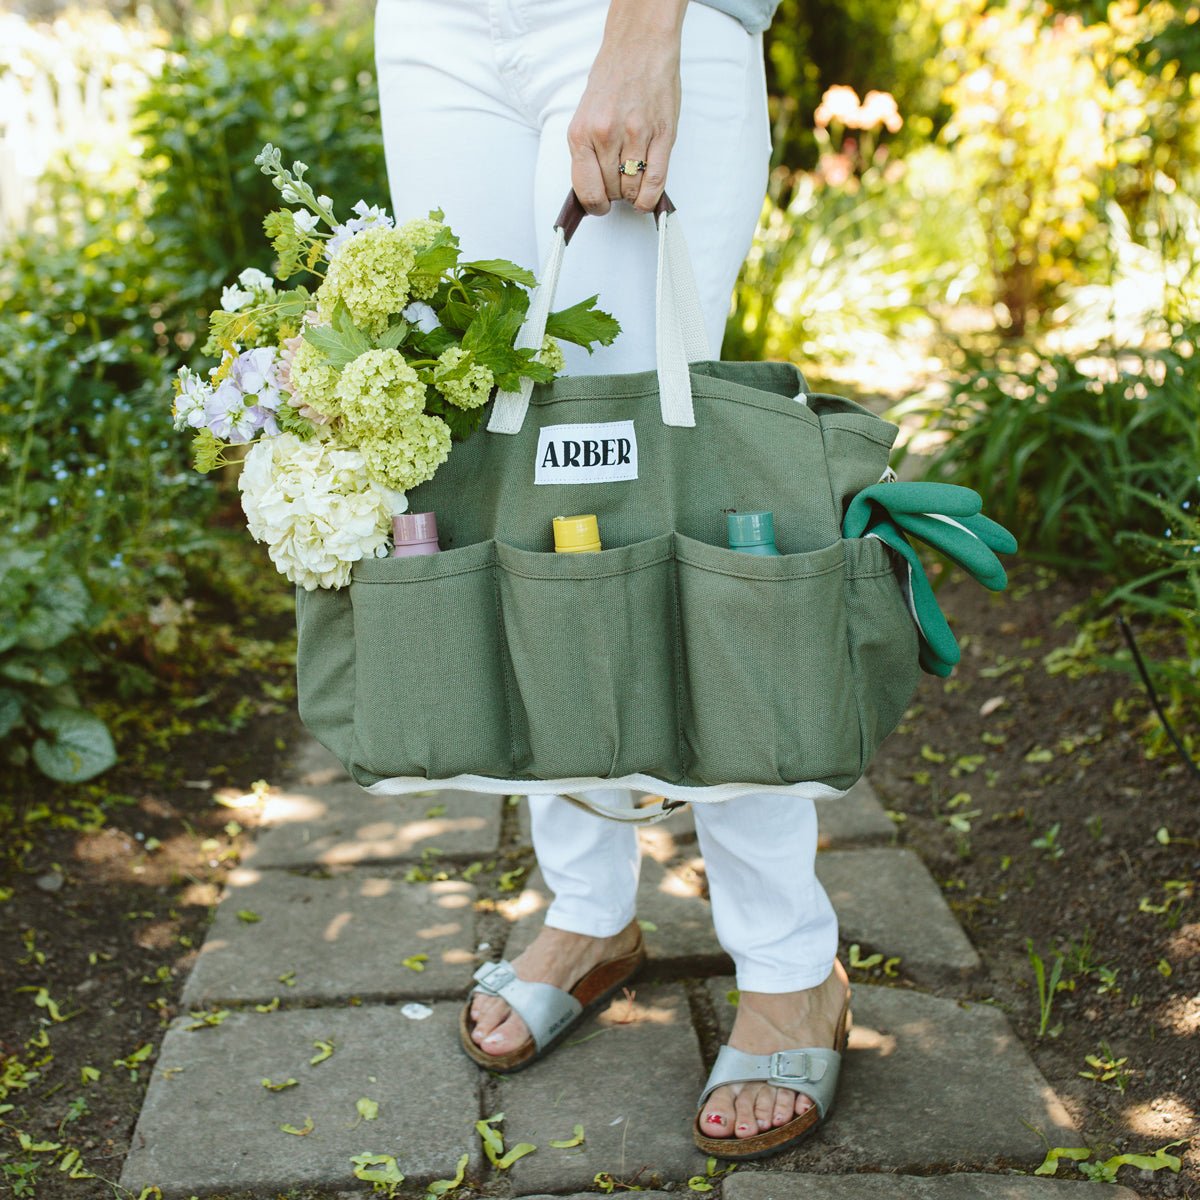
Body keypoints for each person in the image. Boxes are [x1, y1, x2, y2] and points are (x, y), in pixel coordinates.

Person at [374, 0, 852, 1159]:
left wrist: (645, 29)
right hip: (435, 31)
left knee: (680, 496)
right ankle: (590, 915)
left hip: (626, 14)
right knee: (520, 484)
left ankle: (793, 967)